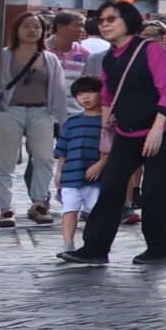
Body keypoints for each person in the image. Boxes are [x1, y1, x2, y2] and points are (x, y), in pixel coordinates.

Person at [57, 2, 166, 266]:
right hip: (127, 131)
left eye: (111, 19)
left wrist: (157, 129)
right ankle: (95, 248)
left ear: (128, 20)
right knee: (111, 185)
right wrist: (106, 128)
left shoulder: (151, 49)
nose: (104, 24)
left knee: (154, 190)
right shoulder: (108, 58)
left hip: (162, 129)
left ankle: (160, 248)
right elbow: (106, 96)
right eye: (101, 20)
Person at [0, 10, 66, 226]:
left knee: (44, 158)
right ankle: (6, 208)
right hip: (10, 110)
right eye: (27, 26)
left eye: (37, 27)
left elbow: (59, 91)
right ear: (16, 30)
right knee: (5, 161)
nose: (32, 30)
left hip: (42, 112)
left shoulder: (50, 58)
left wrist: (63, 121)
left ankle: (39, 204)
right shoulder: (4, 56)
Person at [53, 76, 105, 249]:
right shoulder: (72, 122)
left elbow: (111, 149)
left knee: (96, 212)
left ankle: (93, 245)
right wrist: (59, 172)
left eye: (90, 92)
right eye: (80, 94)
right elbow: (63, 150)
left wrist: (100, 165)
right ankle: (68, 243)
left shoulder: (106, 122)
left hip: (96, 177)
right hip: (71, 174)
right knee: (69, 209)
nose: (85, 97)